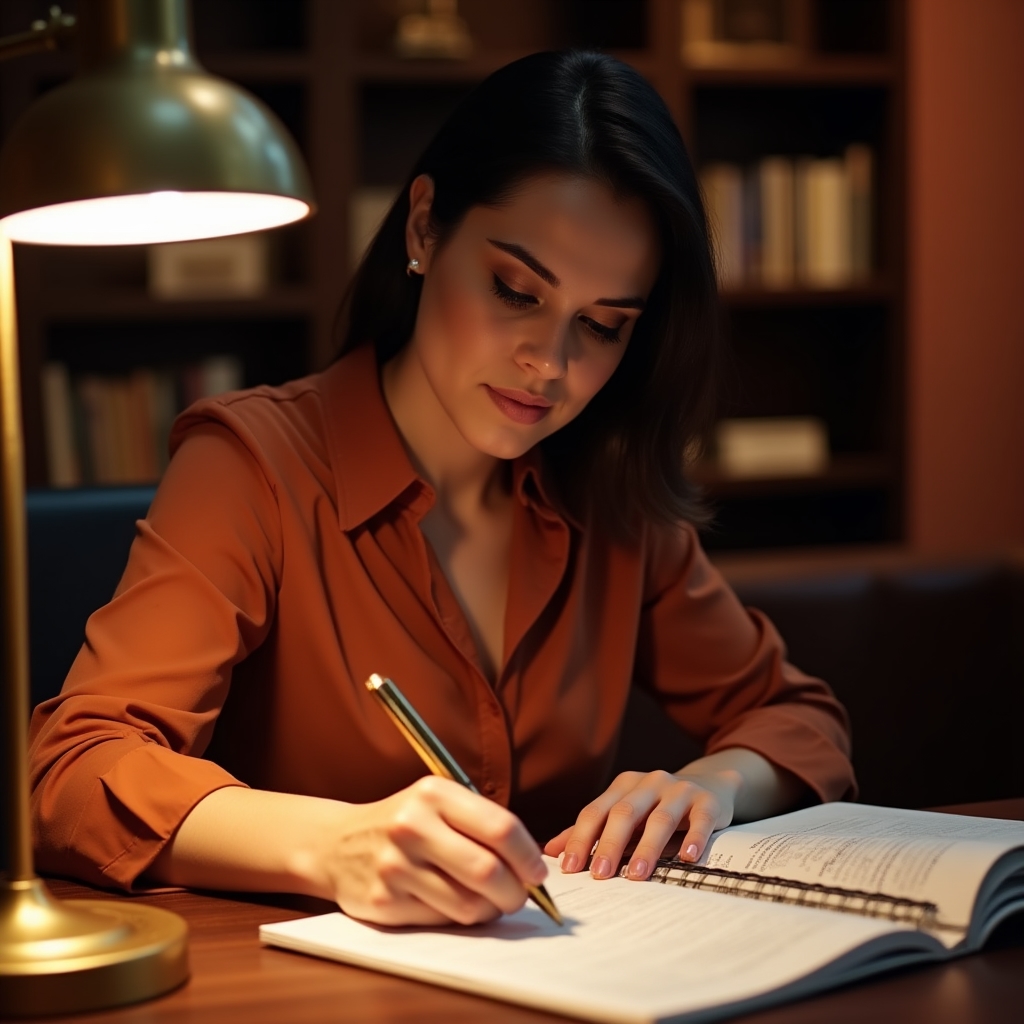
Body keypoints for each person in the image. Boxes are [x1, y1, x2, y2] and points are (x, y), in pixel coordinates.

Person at [28, 51, 854, 928]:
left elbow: (795, 716)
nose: (550, 363)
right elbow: (75, 769)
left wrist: (711, 786)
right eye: (514, 290)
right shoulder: (253, 466)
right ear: (424, 229)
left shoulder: (610, 497)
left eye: (604, 326)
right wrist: (335, 845)